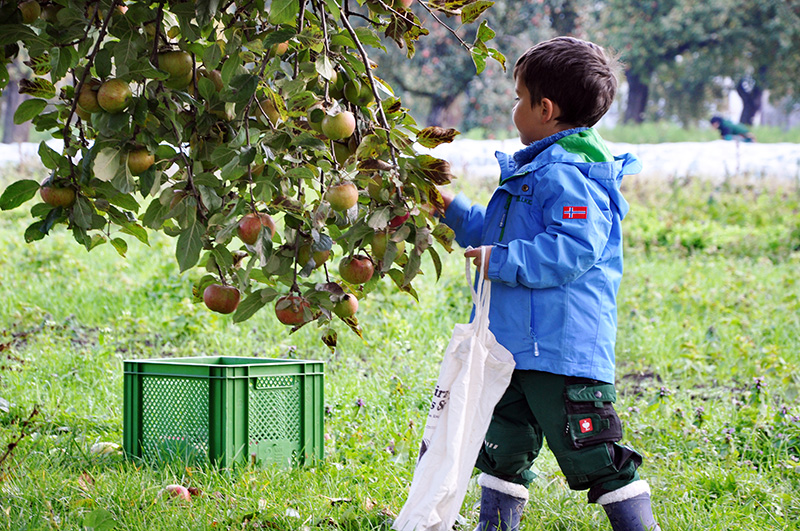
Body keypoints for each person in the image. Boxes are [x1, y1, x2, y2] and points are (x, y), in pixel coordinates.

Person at [436, 37, 659, 531]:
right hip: (511, 349)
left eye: (519, 98)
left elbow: (573, 249)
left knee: (592, 452)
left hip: (560, 352)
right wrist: (447, 207)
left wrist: (500, 260)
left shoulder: (571, 174)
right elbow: (495, 236)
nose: (514, 108)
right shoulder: (537, 169)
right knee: (501, 447)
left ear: (546, 108)